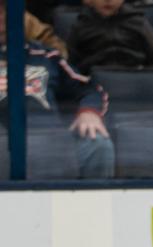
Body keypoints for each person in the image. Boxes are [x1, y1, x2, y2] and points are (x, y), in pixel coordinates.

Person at [0, 0, 114, 178]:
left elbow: (88, 89)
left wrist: (88, 112)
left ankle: (92, 206)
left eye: (4, 10)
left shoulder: (46, 56)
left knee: (97, 143)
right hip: (4, 140)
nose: (1, 17)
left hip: (48, 139)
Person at [67, 0, 153, 75]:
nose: (108, 0)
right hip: (95, 86)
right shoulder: (80, 26)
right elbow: (69, 67)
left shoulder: (139, 22)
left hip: (136, 81)